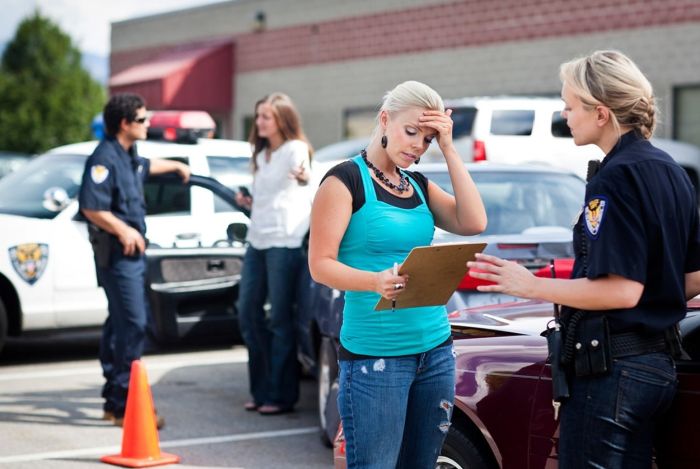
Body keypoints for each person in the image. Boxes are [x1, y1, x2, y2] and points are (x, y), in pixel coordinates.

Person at [468, 50, 700, 468]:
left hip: (614, 373)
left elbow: (622, 290)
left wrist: (530, 285)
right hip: (657, 368)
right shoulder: (671, 170)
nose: (564, 115)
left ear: (600, 113)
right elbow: (693, 277)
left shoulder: (616, 176)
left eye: (570, 105)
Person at [308, 80, 487, 468]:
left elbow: (474, 222)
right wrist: (373, 281)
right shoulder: (344, 181)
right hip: (377, 357)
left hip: (435, 350)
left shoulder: (418, 185)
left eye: (427, 139)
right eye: (411, 132)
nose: (417, 146)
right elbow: (320, 264)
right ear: (385, 120)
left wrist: (450, 148)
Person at [79, 93, 190, 428]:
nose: (148, 124)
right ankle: (129, 405)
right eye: (142, 120)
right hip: (118, 256)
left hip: (132, 257)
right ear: (124, 124)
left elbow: (145, 168)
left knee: (119, 324)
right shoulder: (103, 159)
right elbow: (91, 206)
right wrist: (124, 230)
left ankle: (113, 401)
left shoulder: (129, 155)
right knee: (134, 324)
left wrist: (175, 165)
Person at [235, 92, 313, 415]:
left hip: (285, 241)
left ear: (282, 119)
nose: (260, 122)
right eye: (258, 116)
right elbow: (266, 196)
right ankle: (262, 389)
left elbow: (305, 175)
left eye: (266, 116)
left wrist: (304, 175)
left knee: (280, 319)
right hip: (257, 239)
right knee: (248, 313)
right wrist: (249, 202)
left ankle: (281, 395)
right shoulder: (261, 154)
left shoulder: (295, 149)